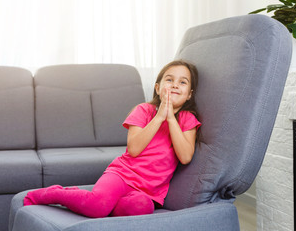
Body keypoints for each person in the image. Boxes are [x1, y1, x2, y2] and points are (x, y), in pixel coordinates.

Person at [23, 60, 201, 218]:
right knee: (97, 206)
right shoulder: (144, 110)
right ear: (157, 88)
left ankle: (103, 205)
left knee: (141, 207)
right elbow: (134, 149)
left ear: (189, 94)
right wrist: (160, 117)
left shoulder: (187, 120)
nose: (175, 85)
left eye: (182, 82)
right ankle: (55, 194)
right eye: (169, 80)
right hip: (121, 176)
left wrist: (171, 119)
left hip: (148, 191)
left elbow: (185, 157)